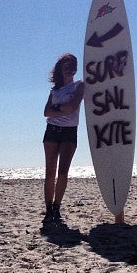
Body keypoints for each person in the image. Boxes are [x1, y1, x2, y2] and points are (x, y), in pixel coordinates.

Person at [42, 53, 85, 222]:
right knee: (50, 171)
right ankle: (48, 208)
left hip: (69, 132)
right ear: (60, 69)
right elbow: (46, 112)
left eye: (72, 66)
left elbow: (73, 107)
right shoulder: (55, 90)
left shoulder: (79, 86)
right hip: (51, 131)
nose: (69, 70)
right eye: (65, 67)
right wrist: (62, 108)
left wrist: (57, 109)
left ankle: (57, 206)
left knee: (63, 172)